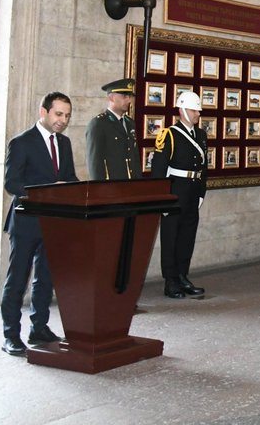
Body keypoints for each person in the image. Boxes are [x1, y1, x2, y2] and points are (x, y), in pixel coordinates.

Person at [0, 92, 79, 356]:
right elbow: (12, 183)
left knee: (45, 278)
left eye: (67, 116)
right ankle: (11, 335)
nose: (63, 120)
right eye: (58, 114)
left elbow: (69, 178)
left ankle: (39, 327)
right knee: (18, 279)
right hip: (25, 221)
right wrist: (46, 190)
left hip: (54, 222)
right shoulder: (22, 142)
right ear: (43, 112)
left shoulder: (65, 144)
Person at [152, 91, 209, 299]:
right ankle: (170, 281)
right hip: (175, 192)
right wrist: (163, 198)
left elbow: (204, 167)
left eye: (198, 110)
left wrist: (201, 192)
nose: (197, 114)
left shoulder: (201, 135)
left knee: (187, 236)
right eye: (194, 110)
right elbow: (158, 170)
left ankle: (182, 275)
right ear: (183, 110)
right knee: (171, 236)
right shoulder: (169, 134)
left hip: (193, 191)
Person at [85, 77, 141, 180]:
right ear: (111, 98)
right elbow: (95, 163)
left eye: (129, 96)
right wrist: (100, 189)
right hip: (111, 187)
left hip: (131, 186)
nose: (129, 100)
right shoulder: (99, 124)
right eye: (125, 96)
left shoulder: (130, 123)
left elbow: (134, 158)